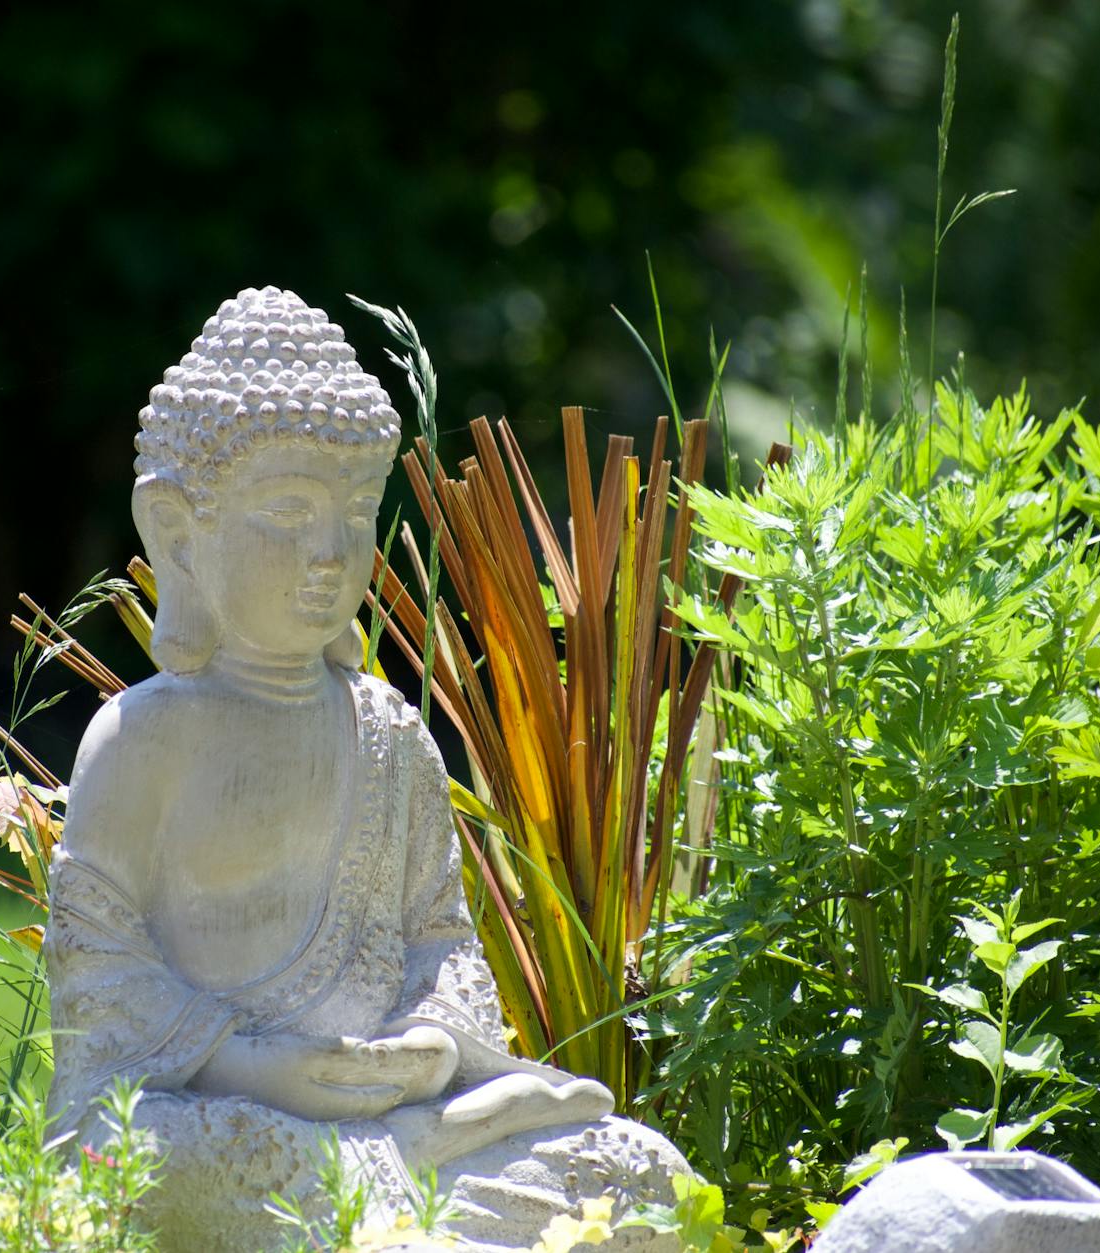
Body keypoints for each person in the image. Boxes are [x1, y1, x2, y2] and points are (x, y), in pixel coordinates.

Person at [43, 287, 690, 1250]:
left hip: (388, 1108)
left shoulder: (391, 737)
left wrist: (431, 1043)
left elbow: (441, 942)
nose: (331, 549)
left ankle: (408, 1175)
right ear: (179, 532)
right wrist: (253, 1066)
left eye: (353, 510)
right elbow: (97, 978)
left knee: (642, 1173)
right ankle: (402, 1181)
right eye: (290, 510)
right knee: (157, 1157)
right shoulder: (145, 738)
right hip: (225, 1116)